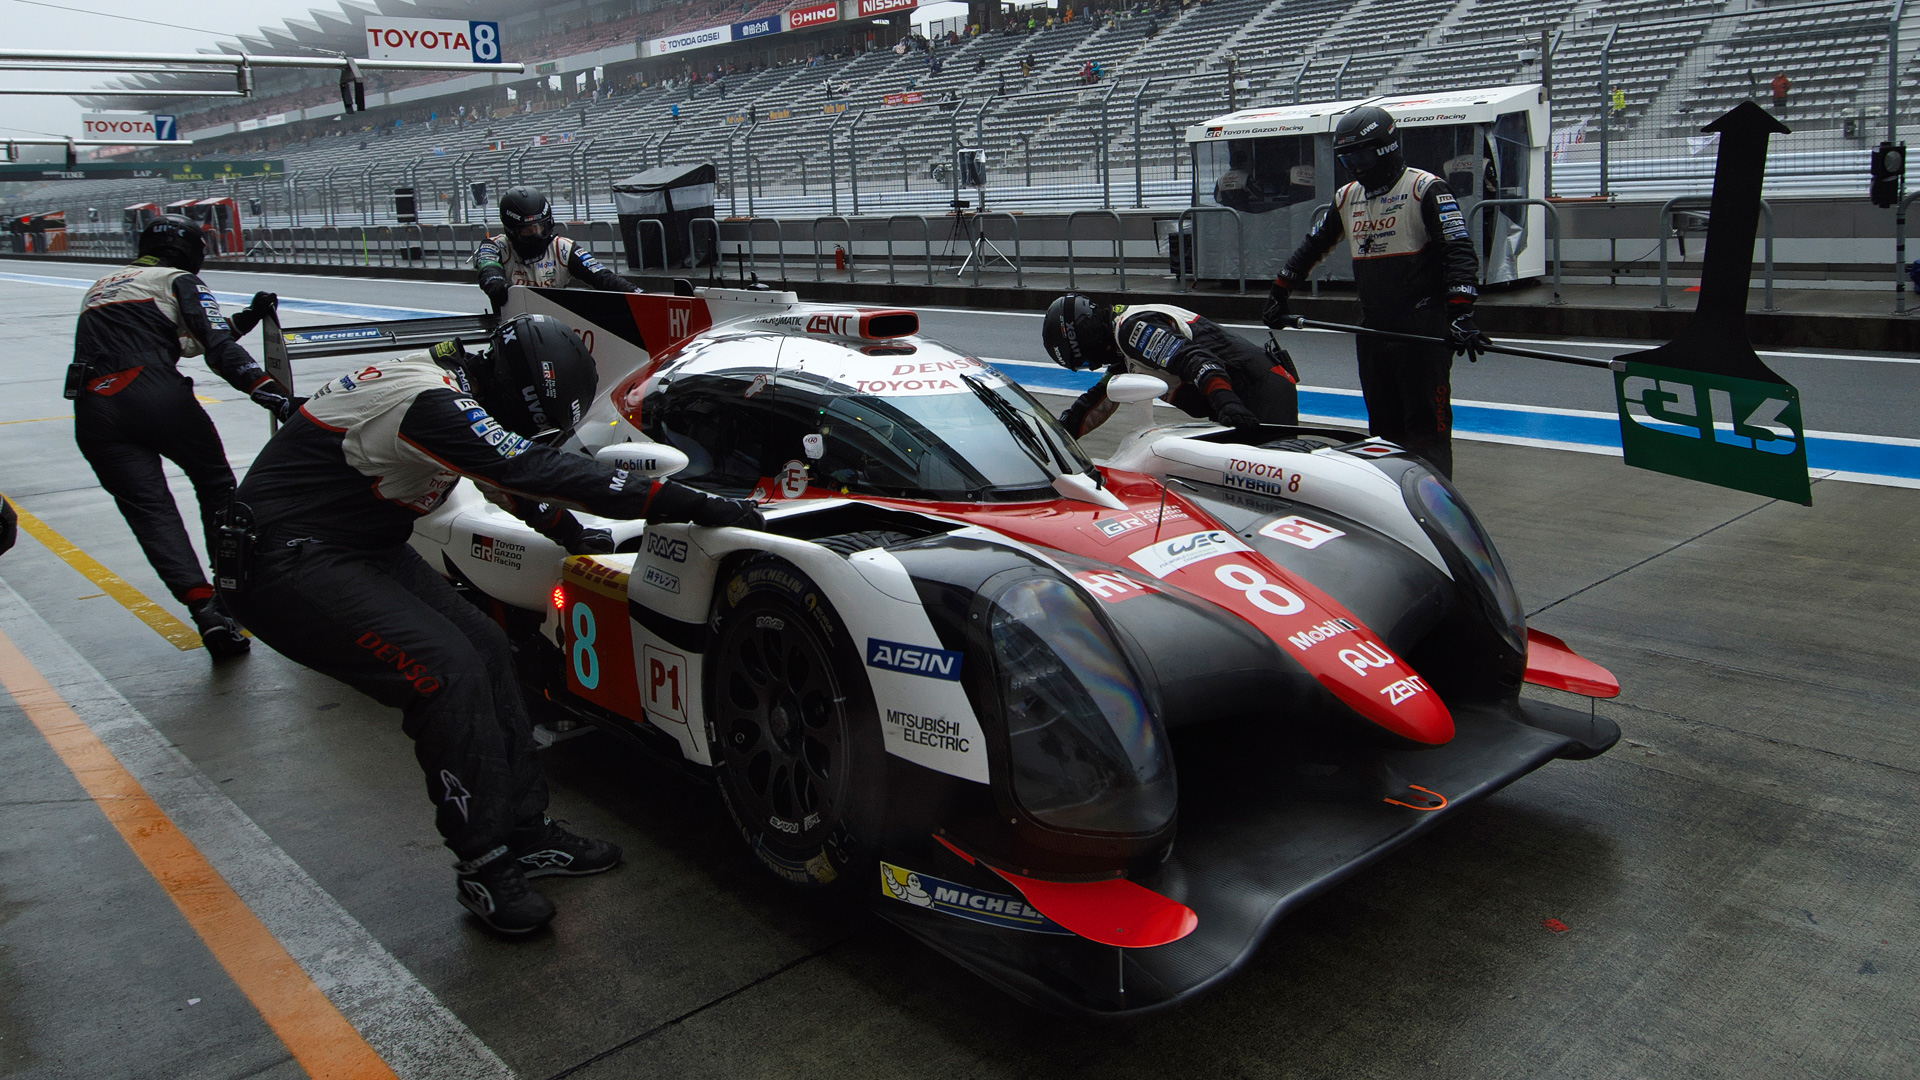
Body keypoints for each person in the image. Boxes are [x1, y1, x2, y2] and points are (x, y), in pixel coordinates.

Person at [223, 314, 764, 935]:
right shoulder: (426, 399)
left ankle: (526, 833)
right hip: (285, 563)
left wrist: (572, 535)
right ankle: (483, 865)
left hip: (350, 545)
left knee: (484, 645)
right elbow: (524, 468)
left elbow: (503, 472)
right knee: (445, 673)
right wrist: (690, 502)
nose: (526, 434)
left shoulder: (446, 387)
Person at [70, 214, 292, 657]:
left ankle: (204, 610)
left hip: (93, 405)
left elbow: (184, 340)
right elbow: (214, 345)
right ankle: (232, 590)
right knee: (216, 486)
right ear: (190, 251)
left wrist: (247, 318)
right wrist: (270, 394)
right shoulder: (177, 279)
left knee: (151, 513)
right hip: (153, 392)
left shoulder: (101, 286)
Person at [1263, 106, 1485, 478]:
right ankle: (1389, 493)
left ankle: (1434, 498)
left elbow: (1458, 250)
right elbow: (1314, 245)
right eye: (1347, 159)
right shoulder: (1347, 196)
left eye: (1362, 157)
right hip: (1373, 327)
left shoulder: (1425, 189)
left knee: (1426, 428)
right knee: (1382, 429)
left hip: (1421, 328)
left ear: (1387, 149)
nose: (1356, 167)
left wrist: (1462, 312)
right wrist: (1280, 290)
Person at [1044, 293, 1298, 439]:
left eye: (1084, 360)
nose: (1092, 366)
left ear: (1082, 337)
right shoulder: (1123, 345)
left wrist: (1226, 402)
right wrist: (1059, 434)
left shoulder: (1131, 330)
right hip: (1243, 393)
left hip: (1258, 390)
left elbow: (1195, 359)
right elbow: (1100, 398)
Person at [474, 187, 637, 314]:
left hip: (556, 327)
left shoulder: (563, 248)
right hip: (511, 327)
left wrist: (637, 294)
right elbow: (489, 272)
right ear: (511, 230)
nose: (537, 234)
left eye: (541, 227)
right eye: (528, 230)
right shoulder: (495, 246)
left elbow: (603, 277)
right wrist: (498, 287)